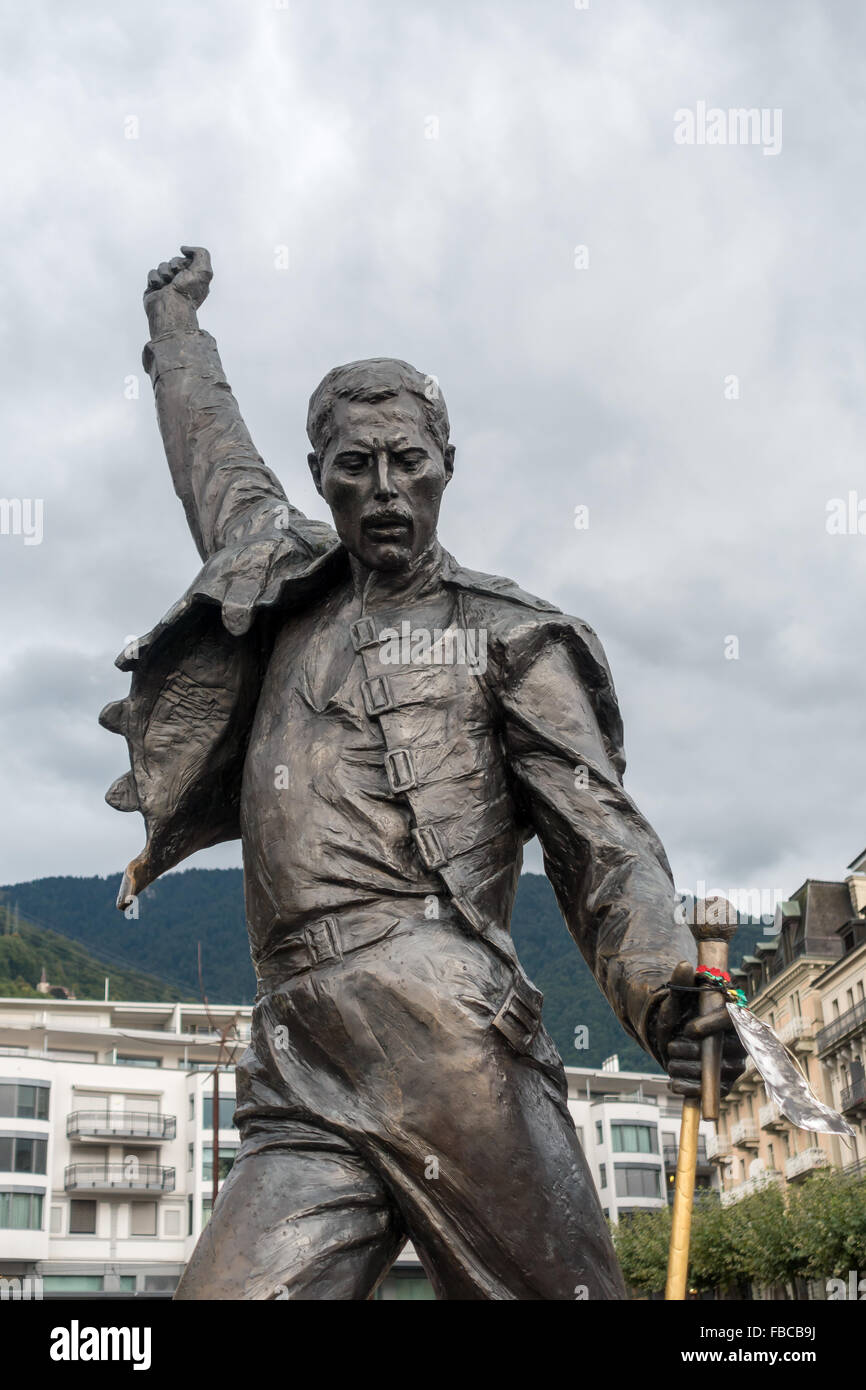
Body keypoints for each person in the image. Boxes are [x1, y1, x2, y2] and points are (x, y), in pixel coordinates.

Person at [100, 247, 744, 1299]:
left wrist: (670, 992)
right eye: (354, 467)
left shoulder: (509, 637)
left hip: (446, 1041)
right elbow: (213, 460)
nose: (385, 489)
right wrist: (178, 336)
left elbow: (602, 843)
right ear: (320, 478)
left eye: (409, 461)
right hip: (300, 1055)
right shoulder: (280, 585)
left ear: (447, 463)